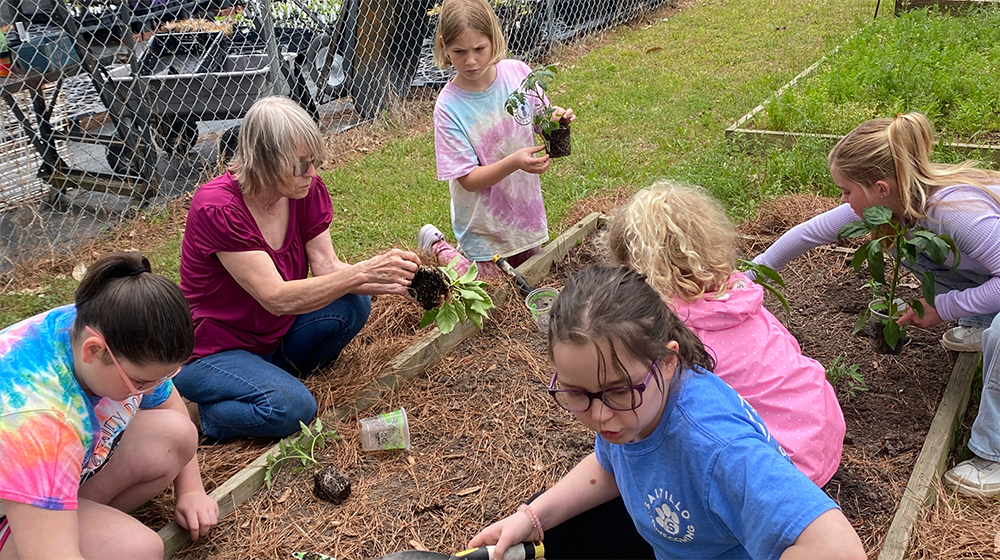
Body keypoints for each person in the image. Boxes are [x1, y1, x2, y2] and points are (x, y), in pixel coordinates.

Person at [469, 266, 865, 560]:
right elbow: (609, 466)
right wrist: (533, 518)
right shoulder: (633, 408)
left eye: (617, 392)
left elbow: (837, 547)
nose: (600, 416)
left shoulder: (717, 447)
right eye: (577, 394)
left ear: (669, 362)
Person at [751, 112, 1000, 496]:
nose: (842, 199)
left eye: (847, 190)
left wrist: (945, 307)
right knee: (931, 254)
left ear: (881, 187)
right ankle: (983, 318)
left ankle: (993, 454)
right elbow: (808, 233)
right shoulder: (900, 204)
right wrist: (743, 281)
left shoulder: (957, 215)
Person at [176, 96, 420, 441]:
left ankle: (265, 379)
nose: (312, 173)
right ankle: (202, 416)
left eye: (314, 161)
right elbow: (275, 298)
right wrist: (363, 272)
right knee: (293, 409)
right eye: (301, 165)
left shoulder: (304, 190)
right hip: (215, 349)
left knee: (352, 303)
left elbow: (327, 266)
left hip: (273, 333)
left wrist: (398, 279)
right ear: (264, 161)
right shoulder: (217, 208)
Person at [606, 182, 845, 486]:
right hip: (818, 436)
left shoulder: (675, 329)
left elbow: (664, 415)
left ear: (647, 270)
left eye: (629, 274)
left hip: (778, 471)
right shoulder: (736, 294)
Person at [0, 252, 218, 560]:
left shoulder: (99, 322)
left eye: (166, 376)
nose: (152, 389)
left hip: (50, 475)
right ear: (94, 350)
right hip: (13, 507)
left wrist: (192, 490)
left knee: (176, 433)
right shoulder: (41, 421)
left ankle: (72, 518)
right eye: (140, 383)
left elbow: (171, 410)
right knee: (137, 550)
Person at [416, 0, 575, 277]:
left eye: (479, 49)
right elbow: (468, 179)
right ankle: (439, 247)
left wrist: (554, 119)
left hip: (524, 217)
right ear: (443, 45)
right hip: (483, 226)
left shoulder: (518, 74)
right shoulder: (449, 106)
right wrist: (514, 162)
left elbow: (539, 120)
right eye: (459, 51)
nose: (471, 60)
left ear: (494, 38)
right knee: (489, 291)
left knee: (528, 278)